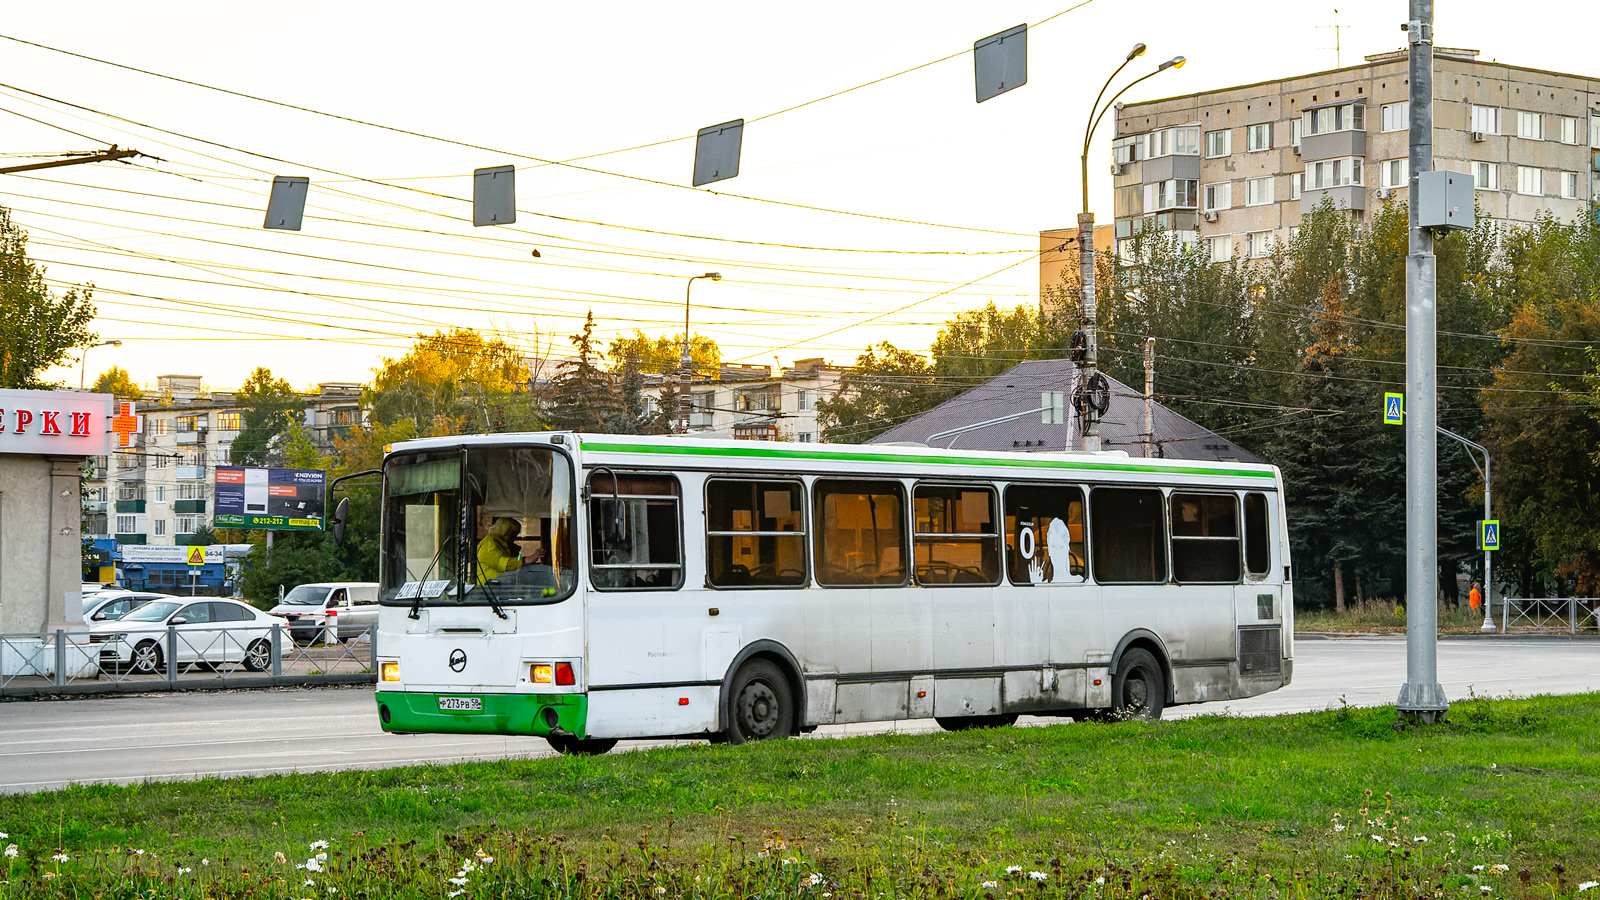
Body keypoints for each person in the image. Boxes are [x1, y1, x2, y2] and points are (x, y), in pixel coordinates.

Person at [477, 517, 543, 584]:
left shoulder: (506, 546)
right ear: (503, 532)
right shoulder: (490, 543)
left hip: (500, 584)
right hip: (488, 586)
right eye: (511, 535)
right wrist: (526, 560)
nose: (513, 538)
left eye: (515, 535)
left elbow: (516, 562)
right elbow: (502, 564)